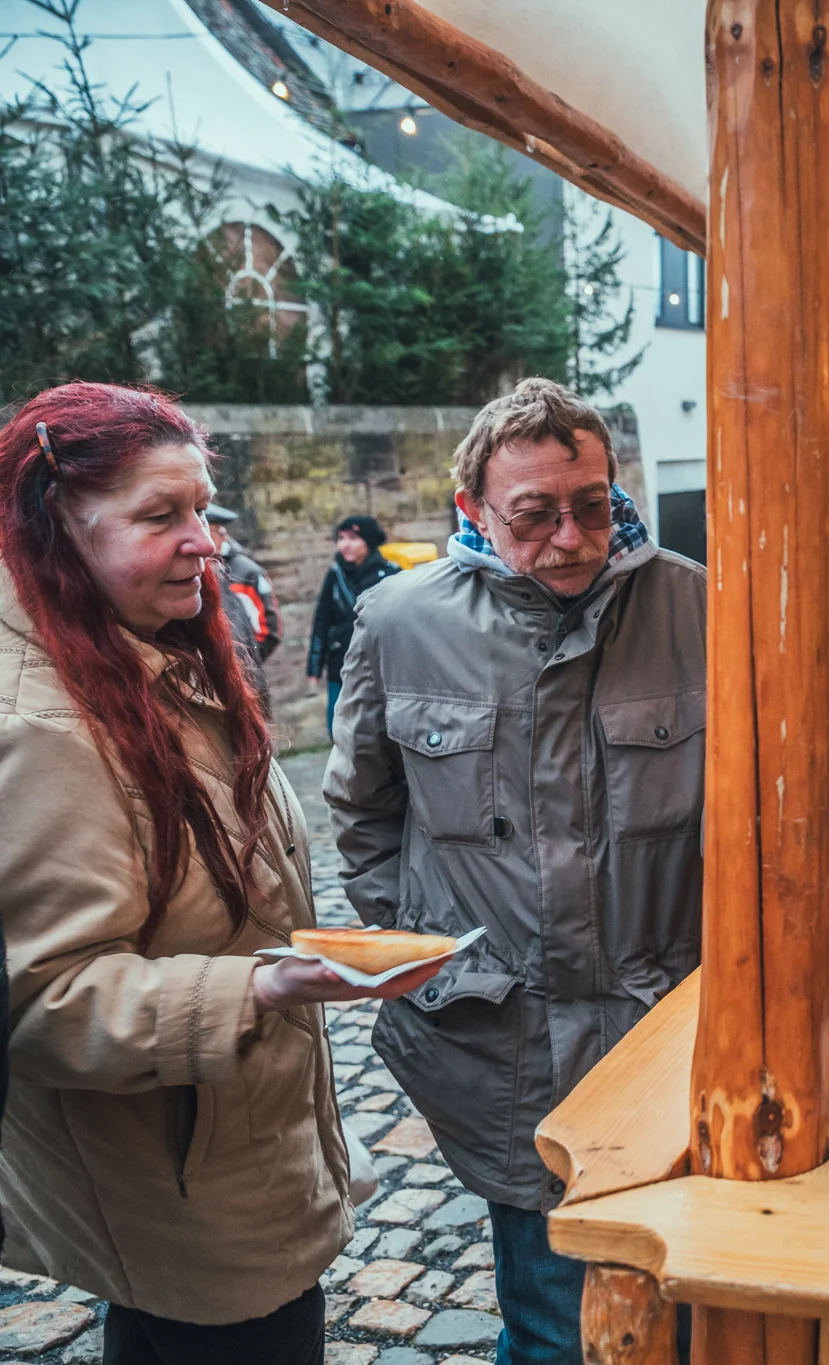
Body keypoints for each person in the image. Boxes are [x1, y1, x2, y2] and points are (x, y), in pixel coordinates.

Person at [0, 384, 438, 1364]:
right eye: (161, 516)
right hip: (182, 1178)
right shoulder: (43, 728)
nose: (206, 540)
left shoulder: (141, 648)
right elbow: (42, 1005)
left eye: (202, 507)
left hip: (216, 1151)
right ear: (53, 528)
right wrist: (270, 984)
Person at [325, 378, 707, 1365]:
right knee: (551, 1323)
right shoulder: (398, 622)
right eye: (534, 516)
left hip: (666, 1031)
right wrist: (436, 954)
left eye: (591, 506)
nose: (572, 538)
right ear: (474, 512)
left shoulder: (696, 606)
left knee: (690, 1302)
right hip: (503, 1046)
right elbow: (365, 815)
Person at [307, 513, 399, 736]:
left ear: (368, 541)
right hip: (341, 663)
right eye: (341, 538)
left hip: (379, 664)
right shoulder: (335, 575)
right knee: (339, 729)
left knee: (381, 729)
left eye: (352, 538)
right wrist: (314, 668)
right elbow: (322, 620)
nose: (344, 545)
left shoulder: (391, 574)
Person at [205, 504, 280, 712]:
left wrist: (243, 664)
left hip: (245, 678)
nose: (223, 537)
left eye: (220, 532)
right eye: (217, 532)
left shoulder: (245, 572)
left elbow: (269, 630)